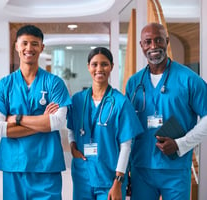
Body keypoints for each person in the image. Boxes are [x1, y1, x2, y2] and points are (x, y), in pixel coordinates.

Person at [0, 24, 71, 200]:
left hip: (46, 165)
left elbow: (58, 123)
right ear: (16, 46)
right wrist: (43, 122)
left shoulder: (55, 83)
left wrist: (17, 119)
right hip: (14, 166)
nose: (29, 48)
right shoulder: (3, 86)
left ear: (42, 47)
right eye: (24, 43)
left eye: (34, 43)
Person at [125, 22, 207, 200]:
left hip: (175, 169)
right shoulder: (134, 83)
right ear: (141, 45)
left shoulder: (189, 79)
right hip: (141, 168)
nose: (153, 46)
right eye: (148, 42)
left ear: (167, 41)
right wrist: (125, 170)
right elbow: (127, 128)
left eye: (159, 40)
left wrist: (181, 143)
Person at [67, 47, 143, 200]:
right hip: (83, 175)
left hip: (109, 178)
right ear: (88, 67)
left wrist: (118, 181)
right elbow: (71, 128)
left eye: (104, 64)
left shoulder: (120, 102)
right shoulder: (77, 100)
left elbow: (126, 146)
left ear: (112, 67)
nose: (99, 69)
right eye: (94, 64)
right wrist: (72, 146)